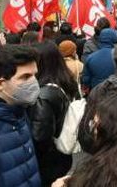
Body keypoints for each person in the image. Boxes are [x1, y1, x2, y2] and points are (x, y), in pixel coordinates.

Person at [28, 42, 79, 186]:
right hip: (61, 155)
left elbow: (39, 137)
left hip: (47, 162)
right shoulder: (63, 82)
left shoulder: (43, 96)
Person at [0, 44, 41, 186]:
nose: (33, 83)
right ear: (0, 84)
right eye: (25, 77)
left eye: (35, 75)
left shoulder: (19, 112)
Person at [81, 28, 117, 92]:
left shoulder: (91, 58)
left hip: (96, 93)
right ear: (114, 39)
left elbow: (86, 79)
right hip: (115, 93)